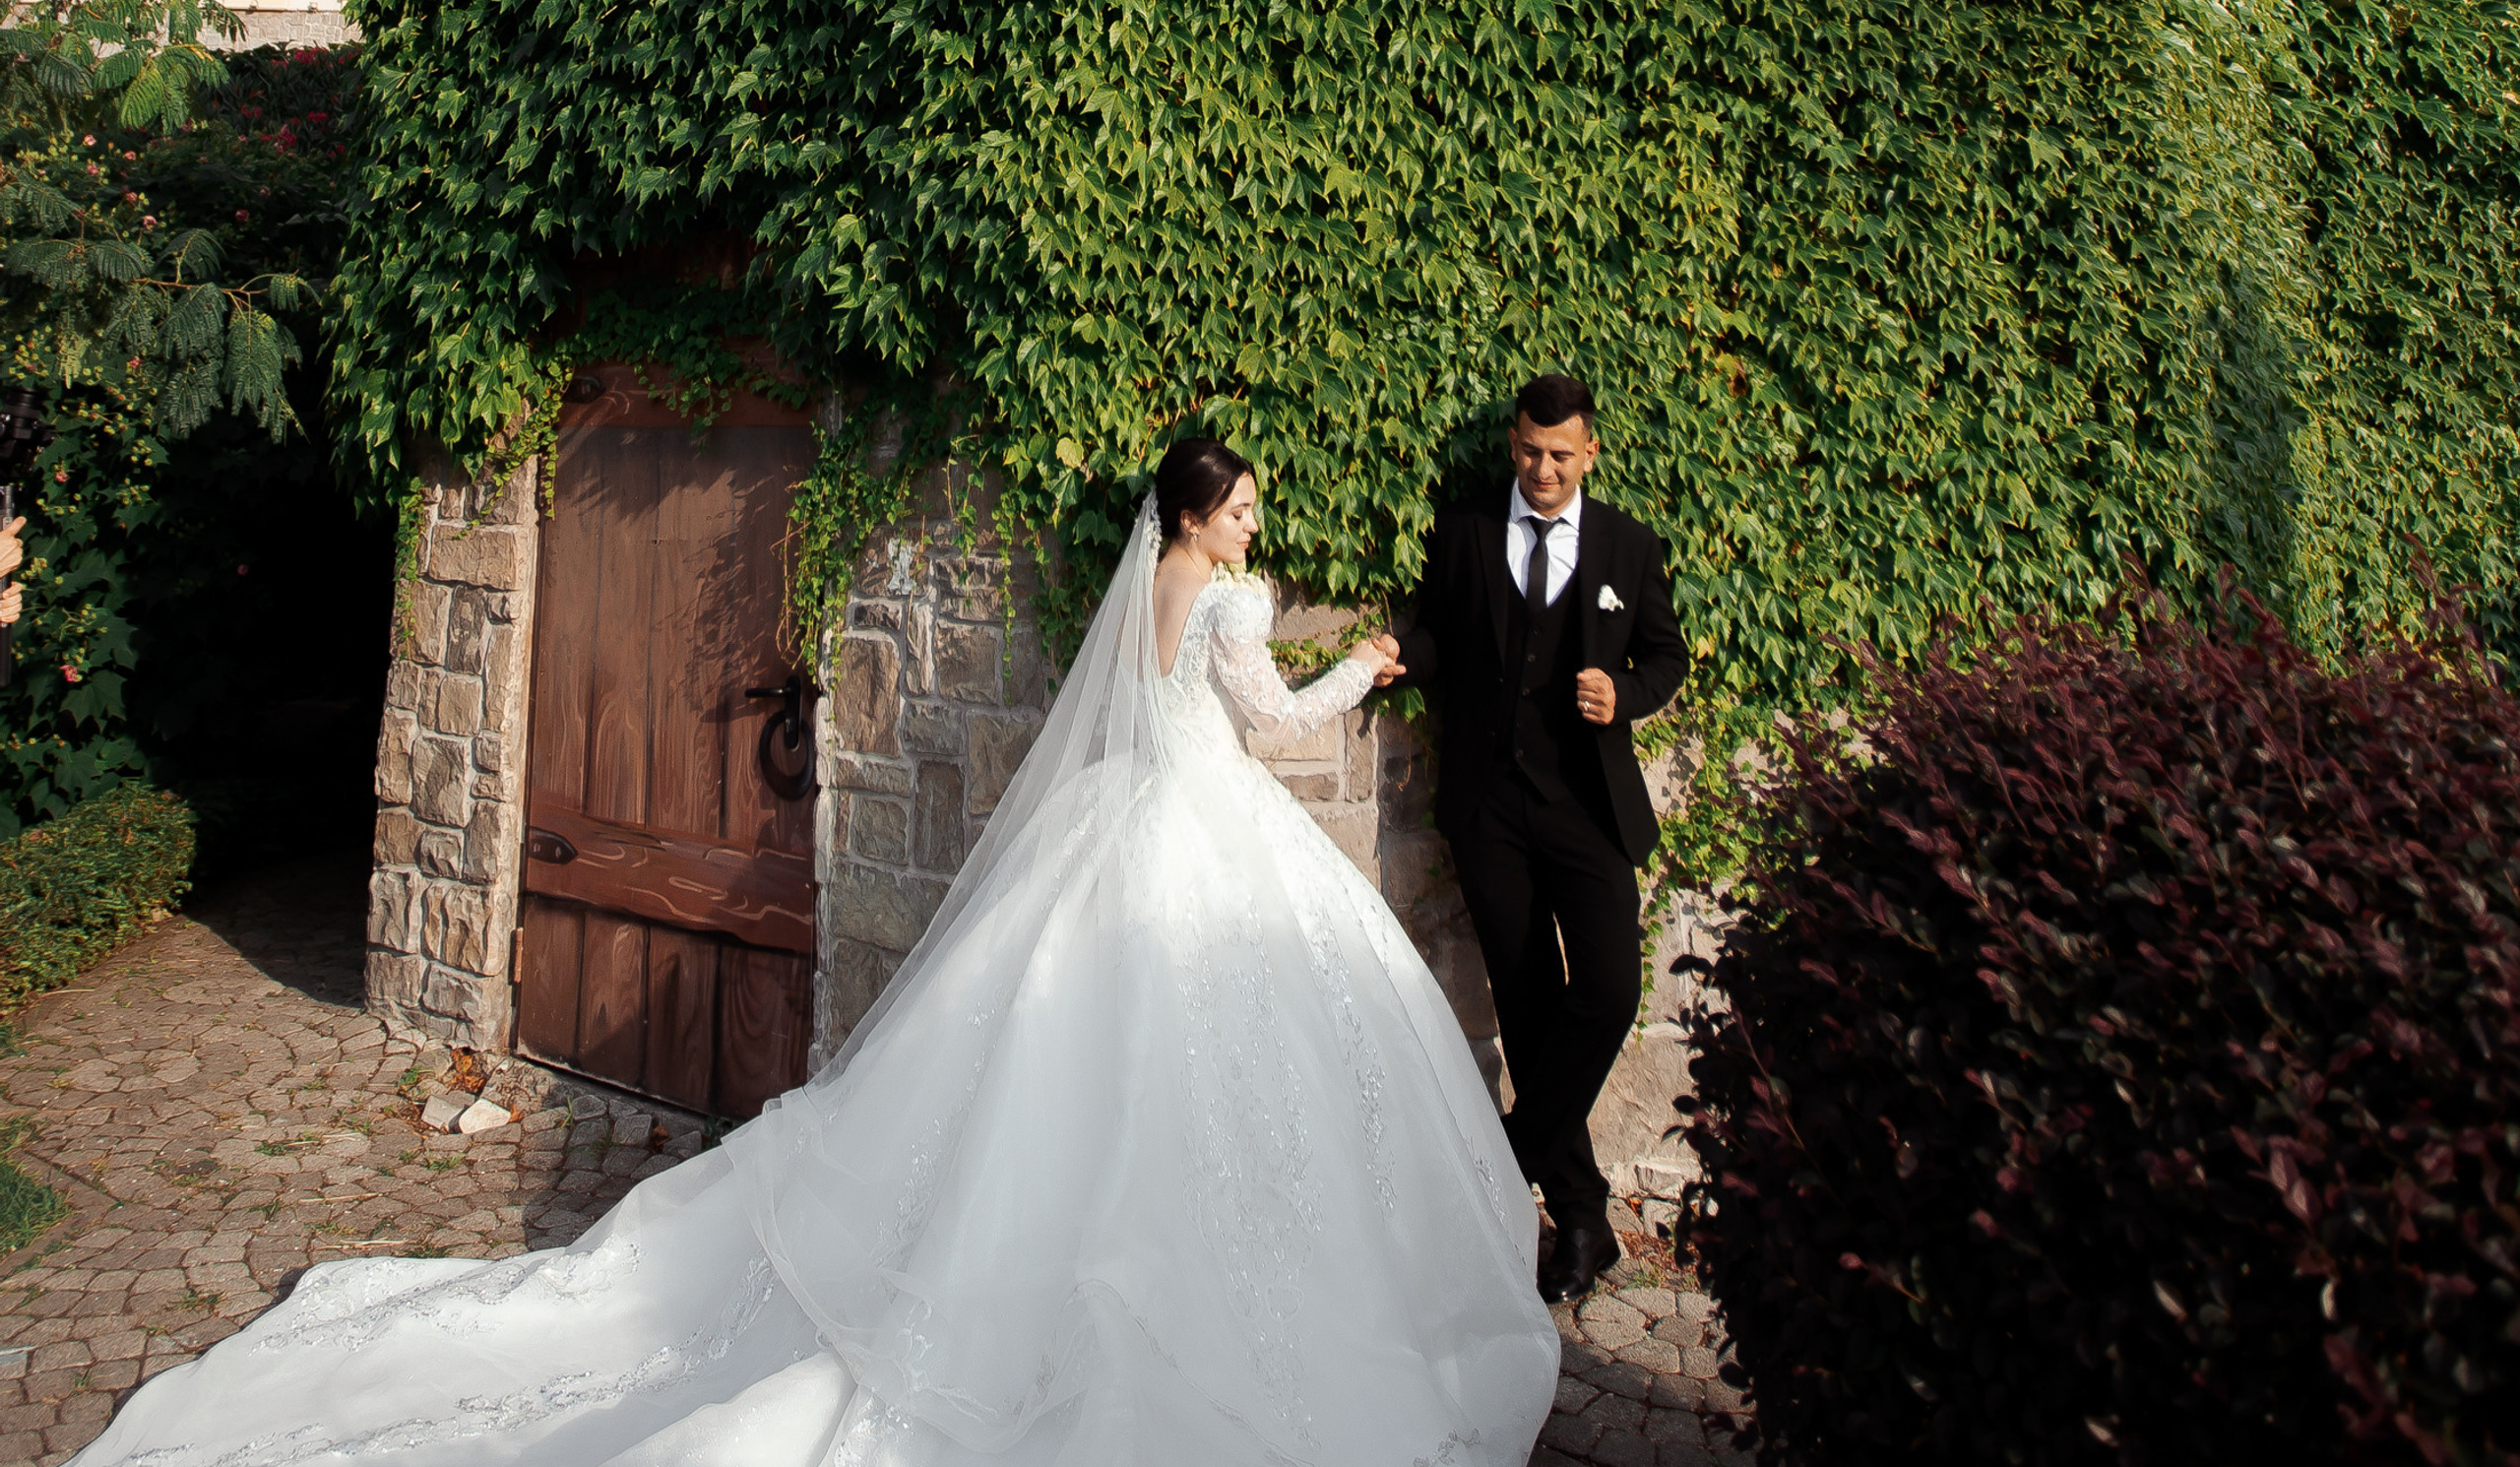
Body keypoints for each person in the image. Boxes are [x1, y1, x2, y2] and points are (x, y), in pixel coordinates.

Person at [77, 439, 1560, 1467]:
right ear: (1194, 520)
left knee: (1069, 1044)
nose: (1253, 523)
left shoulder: (1151, 592)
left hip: (1136, 817)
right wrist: (1362, 667)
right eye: (1238, 507)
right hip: (1205, 822)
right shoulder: (1230, 597)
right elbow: (1272, 723)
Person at [1399, 374, 1687, 1306]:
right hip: (1489, 809)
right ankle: (1583, 1220)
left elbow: (1667, 655)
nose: (1543, 468)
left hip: (1587, 807)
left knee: (1608, 992)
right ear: (1513, 443)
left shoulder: (1628, 545)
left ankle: (1503, 1164)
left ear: (1589, 452)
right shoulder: (1466, 531)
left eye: (1561, 453)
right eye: (1529, 449)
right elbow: (1440, 638)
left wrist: (1624, 695)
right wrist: (1398, 657)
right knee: (1526, 1006)